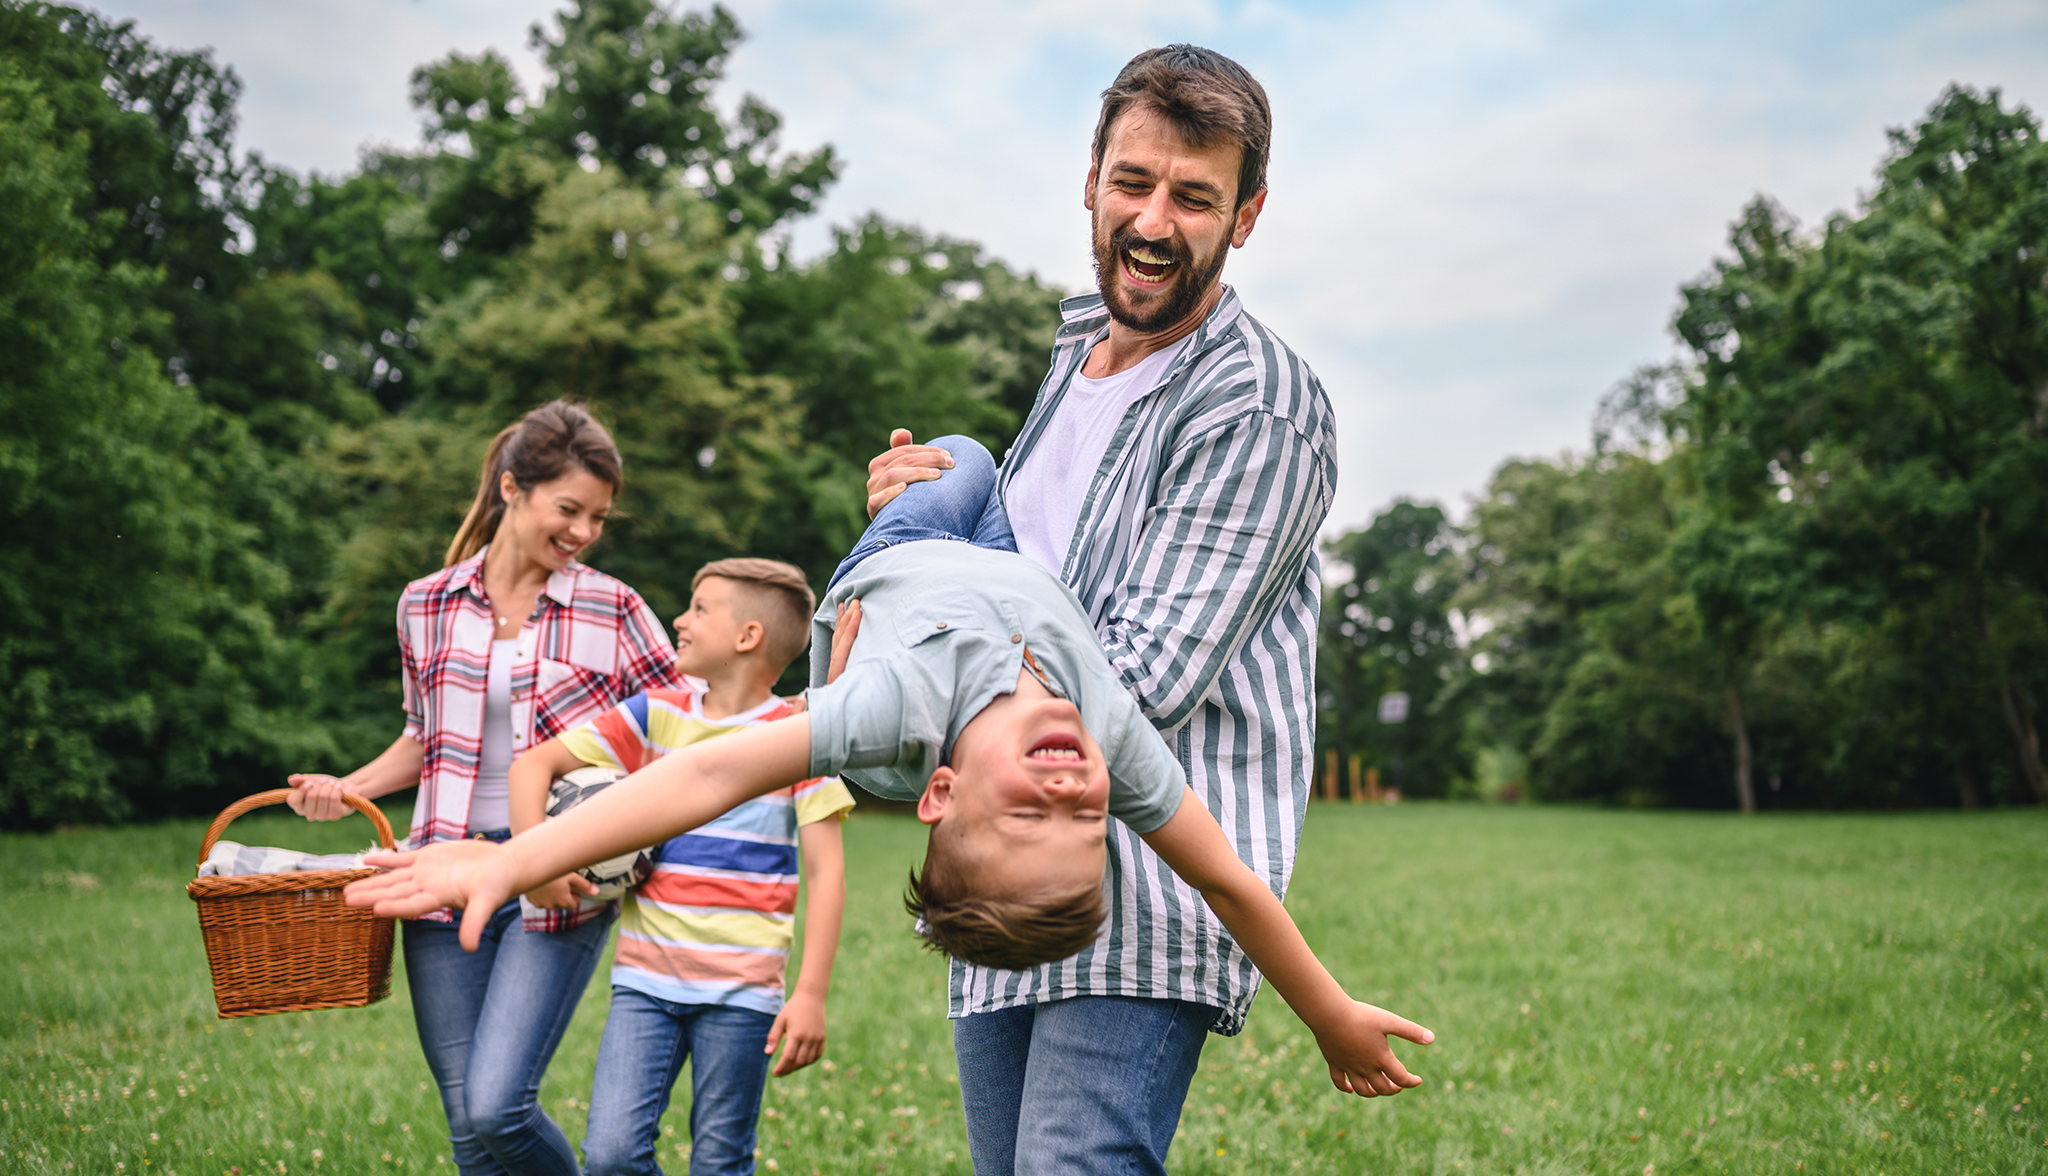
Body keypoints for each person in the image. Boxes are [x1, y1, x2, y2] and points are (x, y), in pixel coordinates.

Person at [343, 435, 1433, 1122]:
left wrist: (512, 857)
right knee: (998, 488)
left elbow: (704, 776)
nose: (1069, 786)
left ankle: (912, 481)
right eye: (1085, 816)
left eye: (1028, 809)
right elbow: (1232, 884)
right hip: (1016, 575)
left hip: (905, 562)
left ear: (942, 793)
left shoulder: (894, 703)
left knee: (957, 458)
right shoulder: (1111, 736)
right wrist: (1327, 1012)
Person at [861, 44, 1349, 1175]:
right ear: (1090, 178)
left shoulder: (1257, 406)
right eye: (1133, 181)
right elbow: (1017, 581)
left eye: (1194, 197)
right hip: (1001, 870)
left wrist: (910, 663)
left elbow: (1137, 680)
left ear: (1246, 216)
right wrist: (927, 520)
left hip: (1138, 888)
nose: (1153, 220)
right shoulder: (1078, 354)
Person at [287, 400, 683, 1176]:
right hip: (440, 870)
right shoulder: (425, 604)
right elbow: (421, 738)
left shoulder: (615, 607)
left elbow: (682, 733)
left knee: (498, 1103)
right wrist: (348, 786)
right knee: (472, 1130)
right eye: (569, 509)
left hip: (558, 872)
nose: (583, 533)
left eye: (598, 518)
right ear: (511, 489)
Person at [507, 559, 854, 1176]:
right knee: (611, 1155)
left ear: (747, 636)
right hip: (645, 982)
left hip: (743, 994)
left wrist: (811, 993)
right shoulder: (657, 714)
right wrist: (532, 864)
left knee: (720, 1162)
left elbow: (828, 872)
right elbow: (532, 766)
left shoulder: (796, 736)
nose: (680, 619)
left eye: (700, 608)